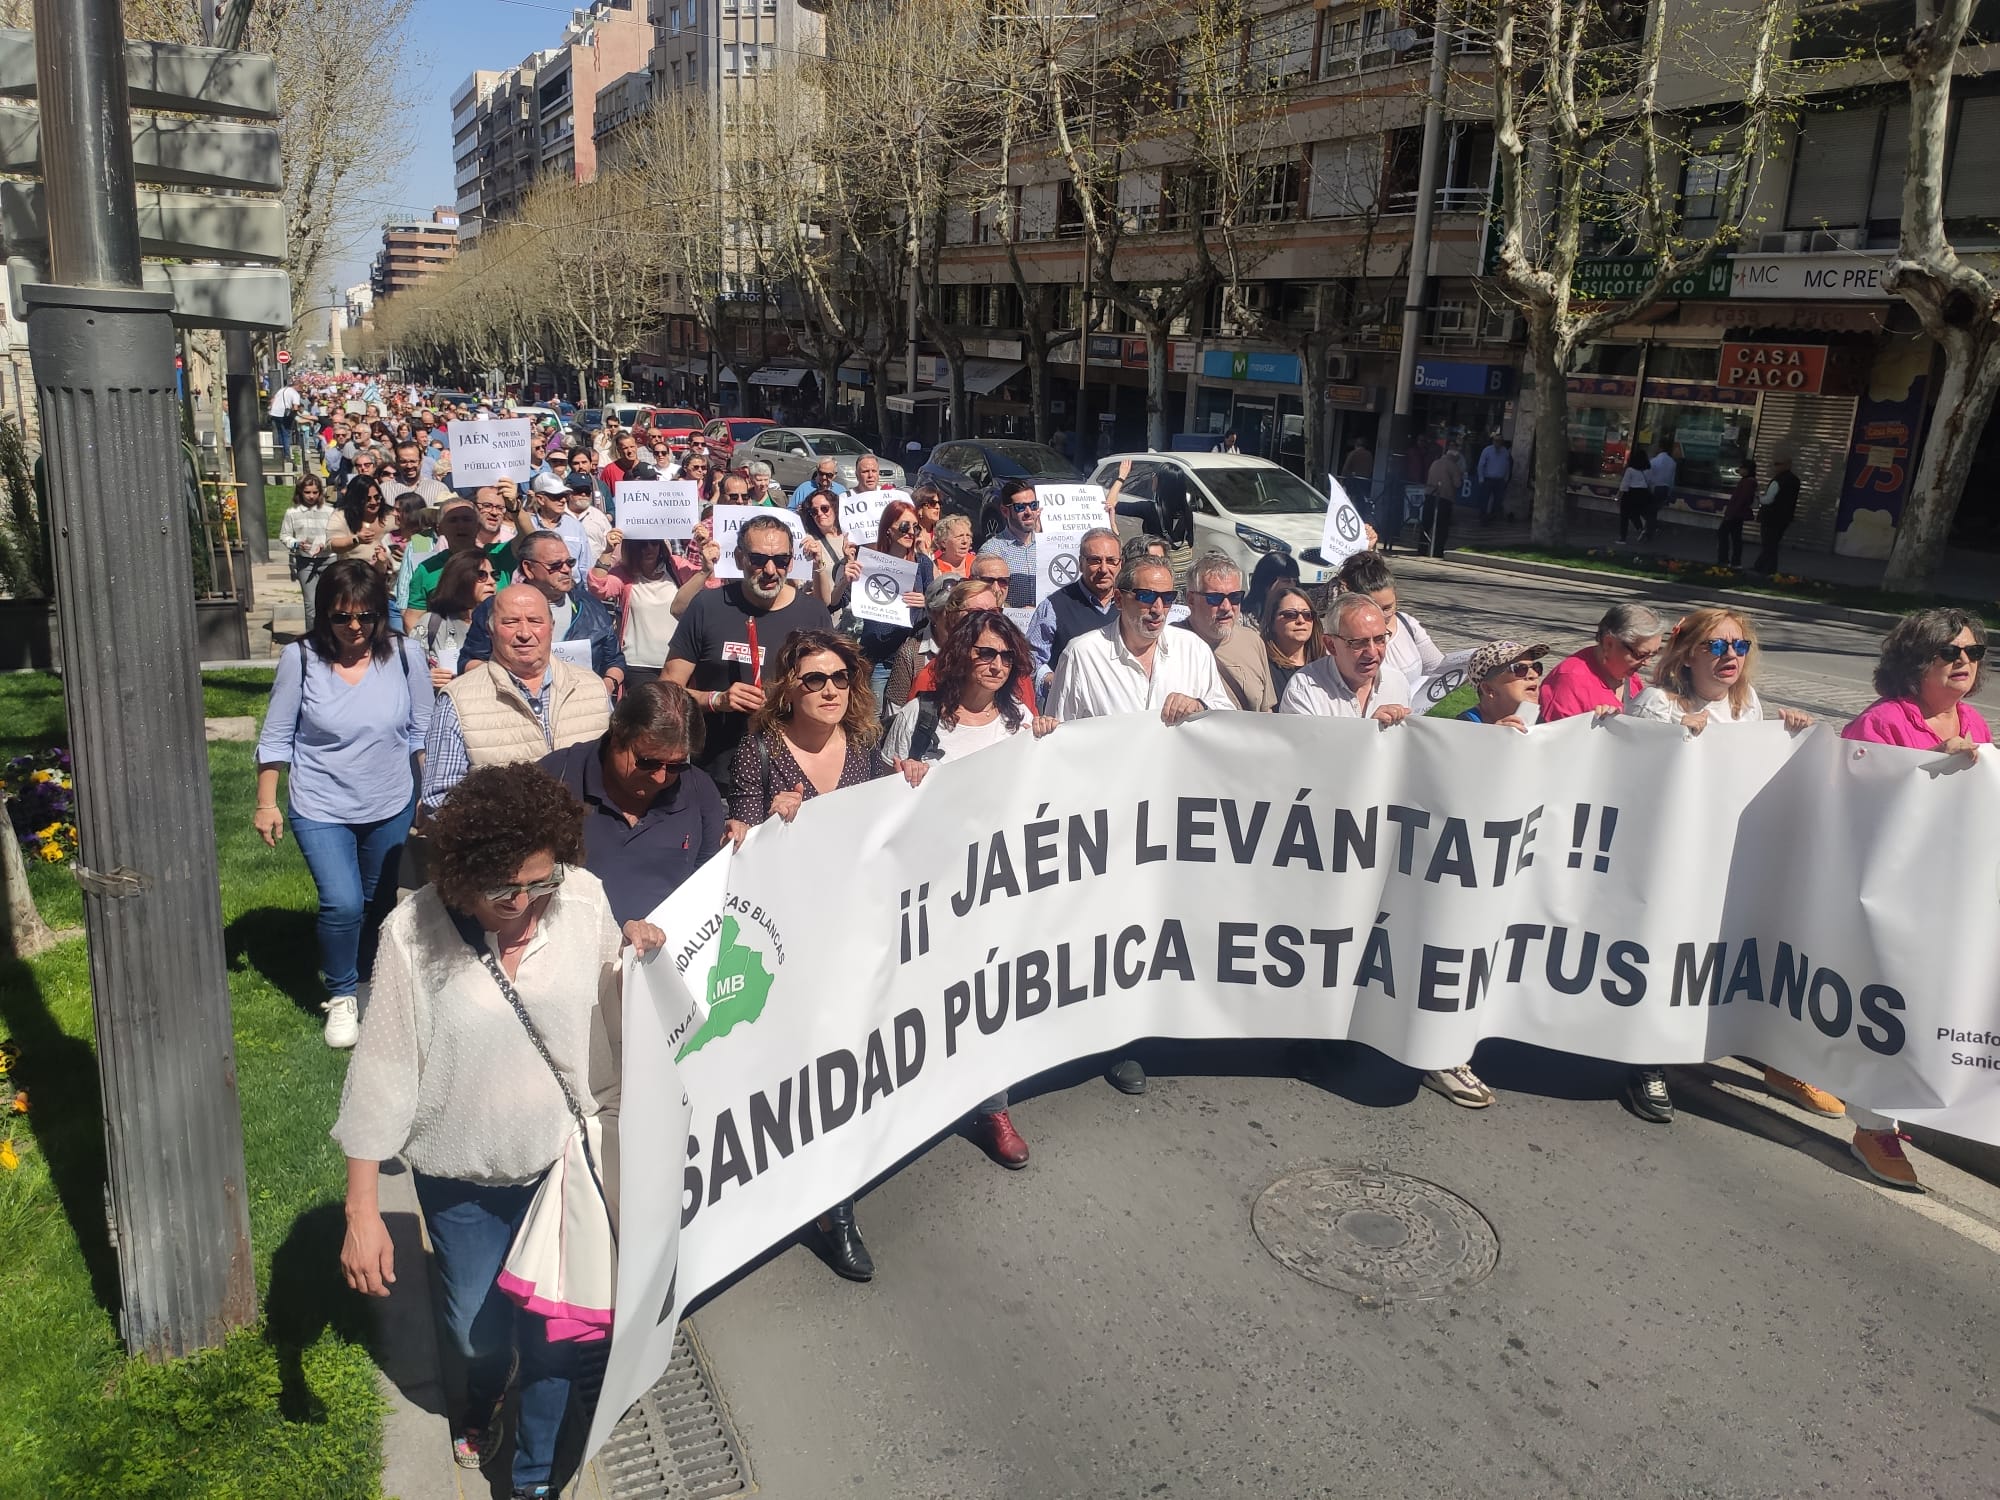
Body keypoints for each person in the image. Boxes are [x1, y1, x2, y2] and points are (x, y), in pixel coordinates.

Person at [334, 761, 619, 1495]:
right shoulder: (412, 934)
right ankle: (484, 1392)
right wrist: (362, 1210)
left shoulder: (582, 900)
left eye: (539, 881)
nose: (526, 902)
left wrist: (640, 953)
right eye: (504, 891)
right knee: (475, 1332)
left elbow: (621, 998)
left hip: (562, 1170)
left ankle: (531, 1481)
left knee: (554, 1342)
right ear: (461, 876)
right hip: (462, 1180)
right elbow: (383, 1073)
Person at [1765, 608, 1988, 1186]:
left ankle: (1789, 1062)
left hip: (1943, 897)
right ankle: (1875, 1130)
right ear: (1915, 661)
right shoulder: (1884, 722)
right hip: (1882, 895)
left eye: (1974, 653)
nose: (1965, 662)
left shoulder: (1975, 725)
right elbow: (1854, 808)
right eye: (1951, 652)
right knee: (1885, 1007)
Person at [724, 630, 886, 1279]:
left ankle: (832, 1192)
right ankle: (832, 1208)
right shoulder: (760, 753)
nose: (827, 690)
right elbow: (737, 850)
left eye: (839, 679)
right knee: (807, 1069)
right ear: (787, 685)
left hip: (853, 932)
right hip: (789, 947)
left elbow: (889, 827)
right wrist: (765, 823)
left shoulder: (868, 747)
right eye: (814, 679)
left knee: (848, 1064)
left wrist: (913, 781)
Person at [881, 611, 1053, 1170]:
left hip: (997, 888)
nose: (995, 665)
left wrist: (1049, 744)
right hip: (928, 887)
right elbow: (875, 804)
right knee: (922, 999)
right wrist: (900, 776)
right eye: (983, 653)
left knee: (988, 999)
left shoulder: (1020, 721)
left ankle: (992, 1106)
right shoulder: (920, 718)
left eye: (1005, 657)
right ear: (959, 656)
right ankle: (907, 1106)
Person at [254, 560, 432, 1048]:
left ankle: (366, 982)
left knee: (376, 901)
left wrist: (426, 794)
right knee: (342, 901)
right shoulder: (302, 658)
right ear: (323, 614)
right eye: (342, 617)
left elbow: (421, 728)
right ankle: (340, 996)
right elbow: (276, 736)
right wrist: (266, 802)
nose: (355, 628)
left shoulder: (404, 655)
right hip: (320, 802)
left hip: (391, 800)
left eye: (366, 616)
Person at [662, 513, 836, 794]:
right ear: (740, 558)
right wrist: (716, 699)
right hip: (717, 778)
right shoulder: (707, 606)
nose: (770, 570)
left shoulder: (813, 614)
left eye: (780, 560)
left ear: (791, 562)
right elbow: (667, 689)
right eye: (758, 559)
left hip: (792, 779)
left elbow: (833, 693)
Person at [540, 681, 728, 938]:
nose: (661, 778)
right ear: (617, 735)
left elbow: (706, 888)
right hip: (570, 953)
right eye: (648, 762)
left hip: (660, 961)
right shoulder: (554, 779)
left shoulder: (699, 790)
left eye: (675, 766)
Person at [422, 584, 612, 809]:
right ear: (490, 631)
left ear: (551, 627)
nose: (524, 633)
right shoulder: (457, 700)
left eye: (535, 621)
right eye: (510, 622)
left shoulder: (592, 687)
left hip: (586, 839)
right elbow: (439, 799)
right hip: (505, 841)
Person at [462, 530, 627, 691]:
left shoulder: (592, 607)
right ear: (528, 568)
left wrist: (605, 686)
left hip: (581, 707)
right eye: (555, 565)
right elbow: (470, 661)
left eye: (569, 563)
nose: (565, 570)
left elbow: (615, 661)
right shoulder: (495, 607)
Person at [1629, 606, 1814, 734]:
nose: (1731, 654)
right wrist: (1676, 738)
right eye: (1717, 646)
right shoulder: (1655, 703)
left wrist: (1791, 732)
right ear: (1687, 656)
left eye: (1740, 646)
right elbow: (1634, 766)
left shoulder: (1745, 698)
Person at [1278, 593, 1414, 723]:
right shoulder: (1304, 690)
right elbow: (1307, 746)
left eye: (1380, 639)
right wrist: (1371, 730)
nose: (1372, 652)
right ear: (1331, 645)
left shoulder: (1397, 682)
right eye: (1359, 642)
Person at [851, 498, 934, 706]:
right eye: (905, 526)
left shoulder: (923, 563)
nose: (911, 532)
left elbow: (937, 604)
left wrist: (926, 601)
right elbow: (842, 600)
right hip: (879, 657)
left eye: (916, 527)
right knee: (876, 719)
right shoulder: (870, 561)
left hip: (913, 656)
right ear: (889, 529)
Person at [887, 575, 1008, 710]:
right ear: (935, 614)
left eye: (993, 612)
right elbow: (897, 716)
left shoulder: (1008, 661)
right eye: (975, 613)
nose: (984, 621)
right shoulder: (922, 663)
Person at [1026, 526, 1122, 690]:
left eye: (1111, 561)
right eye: (1095, 560)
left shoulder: (1131, 603)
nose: (1104, 569)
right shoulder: (1053, 607)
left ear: (1121, 564)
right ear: (1080, 564)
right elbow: (1030, 658)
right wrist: (1052, 680)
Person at [1178, 552, 1275, 711]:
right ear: (1191, 600)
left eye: (1235, 597)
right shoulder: (1170, 643)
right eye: (1215, 598)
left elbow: (1266, 711)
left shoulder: (1252, 641)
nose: (1226, 607)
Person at [404, 494, 515, 630]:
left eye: (467, 519)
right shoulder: (426, 569)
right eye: (453, 520)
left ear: (478, 526)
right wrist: (423, 647)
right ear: (440, 529)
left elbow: (530, 541)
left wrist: (516, 509)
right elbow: (414, 616)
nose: (461, 525)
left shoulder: (498, 556)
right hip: (447, 646)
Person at [1538, 602, 1664, 722]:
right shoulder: (1569, 681)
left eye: (1653, 654)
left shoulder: (1626, 673)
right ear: (1609, 644)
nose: (1647, 663)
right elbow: (1556, 737)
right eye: (1641, 655)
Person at [587, 530, 681, 691]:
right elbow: (598, 587)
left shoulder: (676, 566)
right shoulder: (624, 573)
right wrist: (608, 551)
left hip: (675, 663)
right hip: (637, 664)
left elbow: (709, 583)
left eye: (654, 543)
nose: (649, 548)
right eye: (642, 544)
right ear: (631, 547)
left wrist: (705, 554)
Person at [1336, 551, 1443, 687]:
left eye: (1387, 608)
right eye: (1374, 609)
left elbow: (1437, 667)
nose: (1382, 616)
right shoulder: (1342, 637)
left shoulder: (1408, 624)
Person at [423, 550, 499, 687]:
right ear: (460, 579)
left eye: (494, 575)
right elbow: (408, 672)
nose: (492, 582)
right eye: (482, 575)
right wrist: (426, 678)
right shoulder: (431, 622)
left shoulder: (504, 624)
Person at [279, 474, 337, 632]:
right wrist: (296, 544)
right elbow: (284, 535)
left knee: (329, 602)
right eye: (307, 492)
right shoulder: (292, 513)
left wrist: (325, 544)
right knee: (310, 604)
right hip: (305, 561)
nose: (311, 496)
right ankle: (313, 637)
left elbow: (336, 533)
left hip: (328, 560)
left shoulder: (330, 511)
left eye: (315, 492)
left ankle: (331, 636)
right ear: (300, 492)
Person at [978, 476, 1042, 611]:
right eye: (1020, 507)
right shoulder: (992, 550)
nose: (1029, 512)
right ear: (1005, 511)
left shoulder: (1049, 546)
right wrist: (1017, 612)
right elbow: (983, 595)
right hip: (1009, 625)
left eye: (1033, 505)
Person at [1458, 638, 1548, 729]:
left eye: (1536, 667)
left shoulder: (1537, 721)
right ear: (1488, 689)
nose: (1534, 674)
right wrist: (1495, 737)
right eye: (1520, 668)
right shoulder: (1463, 727)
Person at [1260, 584, 1327, 702]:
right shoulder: (1263, 667)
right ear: (1272, 622)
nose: (1301, 621)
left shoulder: (1327, 665)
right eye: (1290, 615)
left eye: (1307, 615)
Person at [798, 485, 855, 612]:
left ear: (835, 509)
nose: (820, 514)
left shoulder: (853, 536)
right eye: (814, 511)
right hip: (825, 614)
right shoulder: (809, 542)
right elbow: (801, 585)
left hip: (853, 614)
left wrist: (850, 559)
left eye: (824, 508)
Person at [330, 473, 392, 575]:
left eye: (377, 497)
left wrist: (408, 550)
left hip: (389, 578)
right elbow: (332, 545)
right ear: (355, 500)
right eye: (367, 499)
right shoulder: (341, 516)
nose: (373, 502)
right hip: (353, 577)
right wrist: (356, 540)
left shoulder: (391, 515)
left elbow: (417, 532)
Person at [1754, 452, 1800, 573]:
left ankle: (1765, 568)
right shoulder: (1795, 480)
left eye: (1778, 464)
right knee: (1772, 544)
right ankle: (1763, 567)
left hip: (1770, 517)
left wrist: (1759, 498)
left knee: (1769, 544)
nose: (1775, 466)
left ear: (1787, 465)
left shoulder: (1778, 480)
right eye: (1775, 464)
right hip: (1784, 518)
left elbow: (1769, 499)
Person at [1422, 440, 1461, 557]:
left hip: (1429, 495)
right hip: (1444, 498)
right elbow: (1457, 484)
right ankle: (1437, 551)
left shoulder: (1435, 462)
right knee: (1442, 527)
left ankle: (1422, 548)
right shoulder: (1453, 466)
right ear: (1455, 458)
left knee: (1426, 523)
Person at [1246, 552, 1302, 626]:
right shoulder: (1244, 619)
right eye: (1286, 581)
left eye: (1294, 581)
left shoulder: (1299, 612)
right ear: (1266, 583)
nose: (1292, 586)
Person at [1720, 459, 1758, 568]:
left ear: (1747, 469)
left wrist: (1730, 514)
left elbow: (1742, 499)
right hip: (1737, 514)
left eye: (1742, 468)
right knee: (1735, 537)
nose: (1740, 470)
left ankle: (1725, 560)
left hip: (1735, 514)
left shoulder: (1748, 482)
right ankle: (1735, 562)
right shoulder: (1747, 481)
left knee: (1723, 534)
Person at [1646, 434, 1678, 540]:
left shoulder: (1654, 461)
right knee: (1654, 510)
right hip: (1665, 489)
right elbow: (1671, 480)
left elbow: (1648, 476)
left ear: (1659, 447)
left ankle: (1650, 529)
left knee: (1650, 510)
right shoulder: (1672, 462)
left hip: (1655, 488)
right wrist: (1669, 492)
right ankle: (1651, 528)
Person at [1617, 446, 1651, 543]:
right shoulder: (1647, 470)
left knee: (1624, 516)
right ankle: (1640, 527)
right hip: (1643, 493)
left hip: (1631, 493)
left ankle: (1623, 537)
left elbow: (1624, 484)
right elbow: (1649, 482)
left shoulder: (1630, 470)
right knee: (1635, 512)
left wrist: (1619, 496)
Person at [1476, 435, 1512, 523]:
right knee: (1484, 499)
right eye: (1496, 440)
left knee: (1497, 500)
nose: (1497, 442)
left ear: (1502, 442)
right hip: (1488, 479)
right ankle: (1483, 516)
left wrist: (1506, 479)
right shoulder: (1487, 450)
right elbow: (1481, 465)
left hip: (1500, 480)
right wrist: (1481, 478)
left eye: (1499, 441)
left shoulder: (1505, 452)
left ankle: (1492, 517)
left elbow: (1507, 466)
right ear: (1493, 441)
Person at [930, 512, 975, 579]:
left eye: (968, 536)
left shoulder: (976, 563)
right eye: (959, 536)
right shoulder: (935, 568)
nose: (965, 541)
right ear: (943, 542)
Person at [269, 378, 303, 465]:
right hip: (284, 415)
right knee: (286, 434)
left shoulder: (282, 390)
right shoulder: (295, 394)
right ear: (298, 386)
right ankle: (287, 456)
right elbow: (295, 407)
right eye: (301, 387)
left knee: (280, 433)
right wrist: (296, 415)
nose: (301, 390)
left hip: (275, 413)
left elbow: (272, 400)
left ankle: (281, 453)